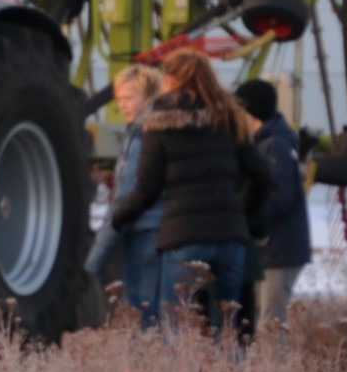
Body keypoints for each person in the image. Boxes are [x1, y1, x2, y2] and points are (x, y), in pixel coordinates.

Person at [110, 50, 270, 337]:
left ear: (170, 80)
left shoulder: (161, 122)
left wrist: (119, 218)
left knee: (176, 330)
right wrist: (243, 217)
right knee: (227, 331)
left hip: (183, 238)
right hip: (230, 239)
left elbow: (147, 189)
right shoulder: (229, 120)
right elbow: (263, 176)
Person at [85, 65, 165, 328]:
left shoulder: (142, 133)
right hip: (160, 228)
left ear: (147, 96)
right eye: (119, 99)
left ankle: (143, 368)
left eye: (129, 98)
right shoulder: (159, 125)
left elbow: (127, 192)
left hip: (144, 231)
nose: (122, 105)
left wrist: (98, 254)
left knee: (141, 309)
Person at [235, 78, 311, 331]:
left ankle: (274, 369)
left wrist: (246, 214)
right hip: (272, 248)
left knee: (270, 322)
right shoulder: (268, 143)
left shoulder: (274, 146)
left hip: (280, 249)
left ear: (250, 112)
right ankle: (265, 369)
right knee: (261, 319)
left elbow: (280, 198)